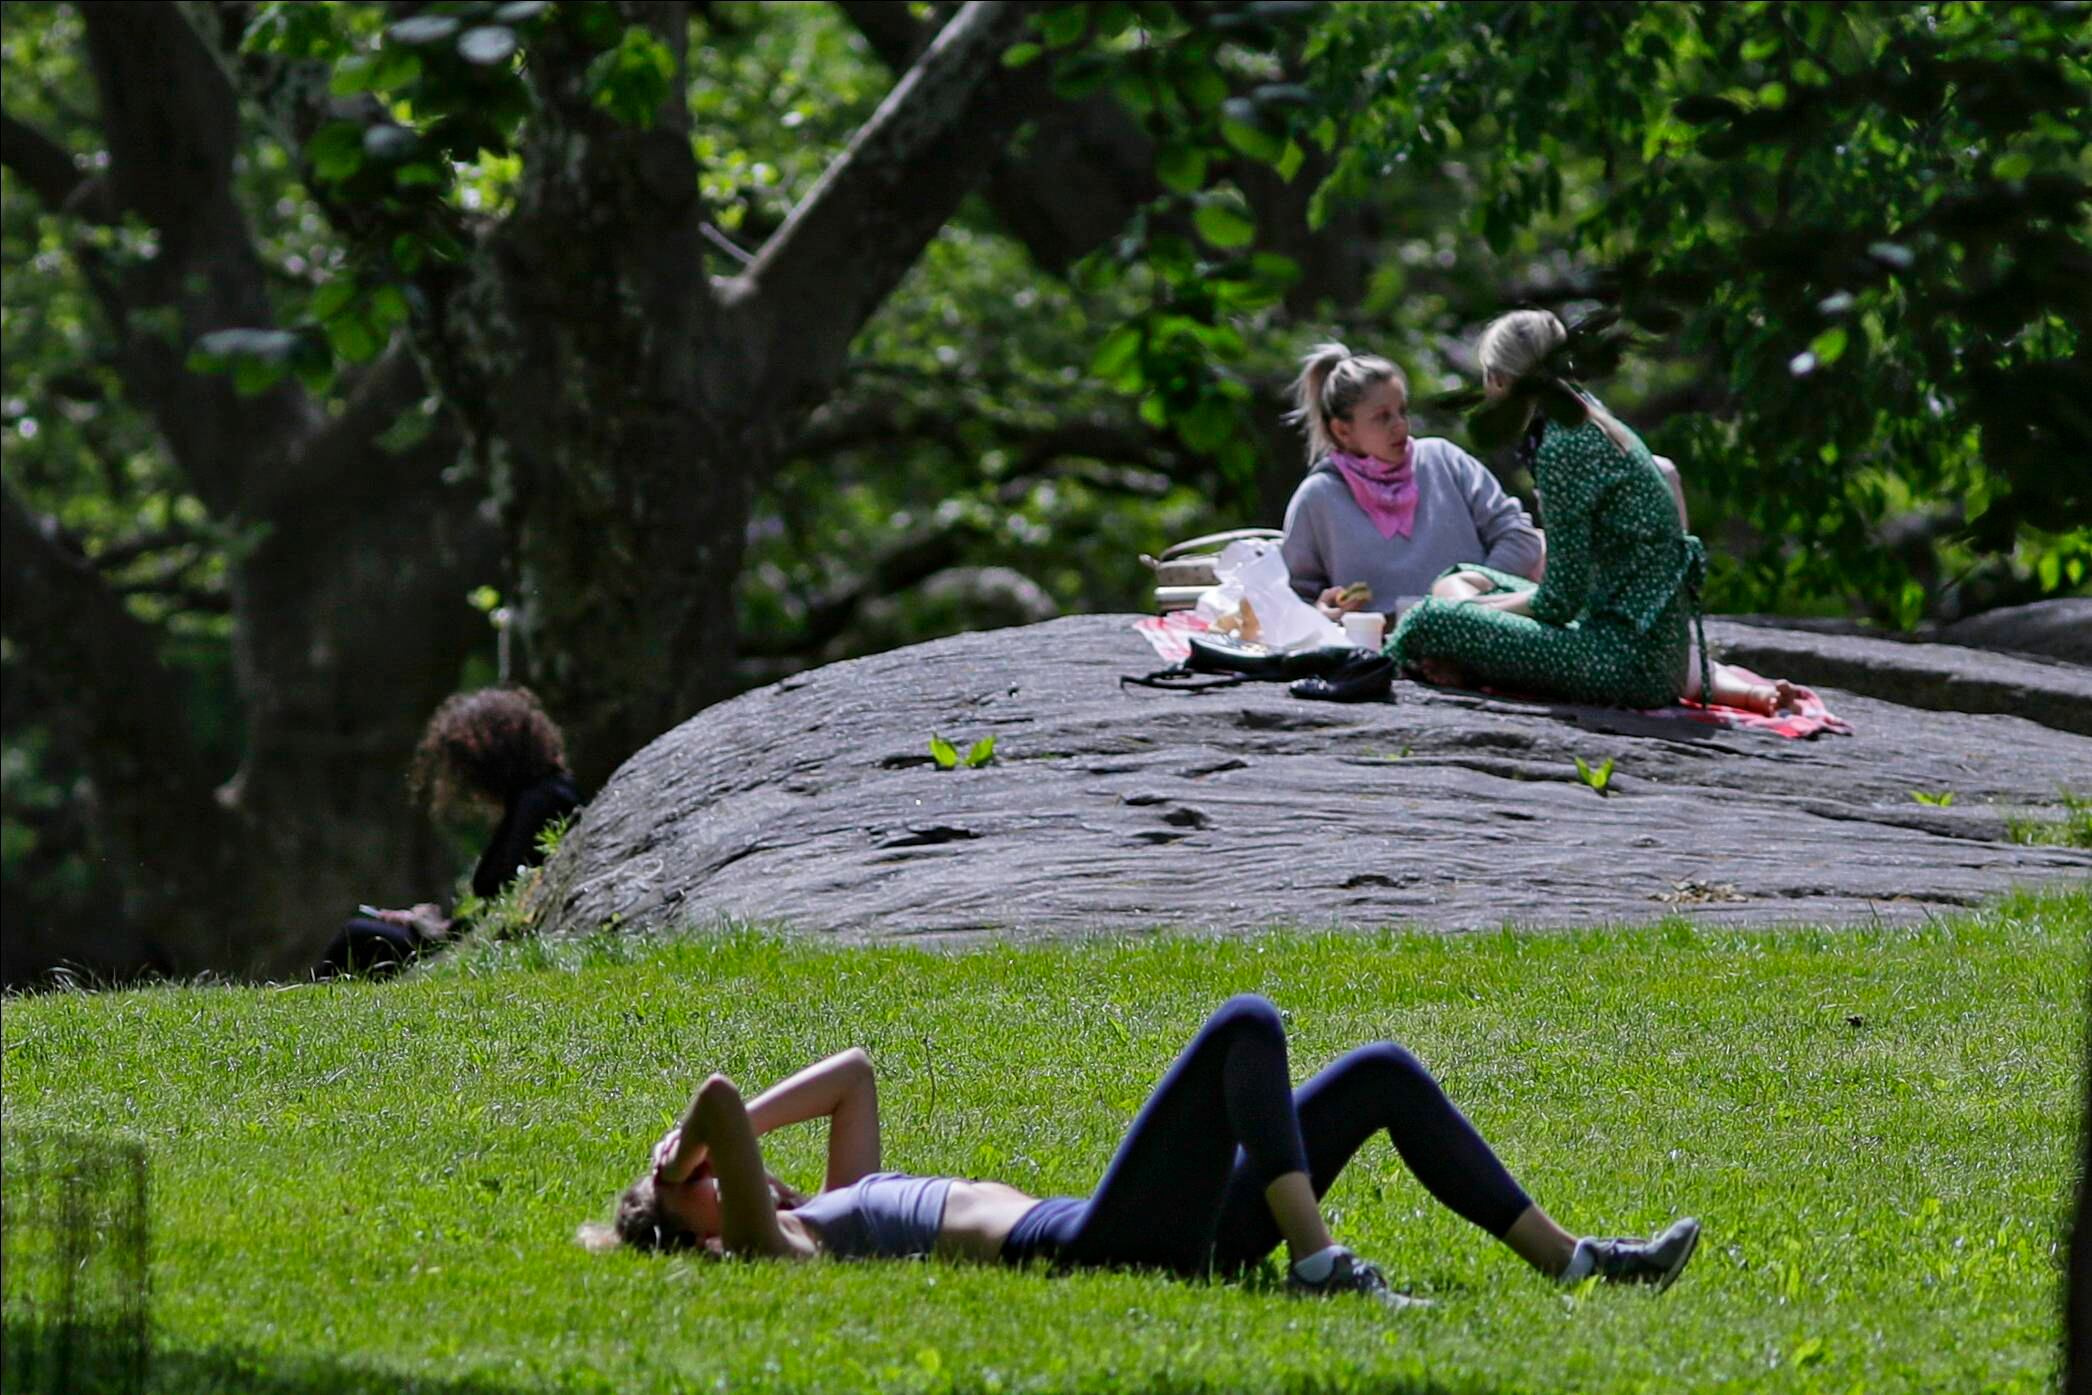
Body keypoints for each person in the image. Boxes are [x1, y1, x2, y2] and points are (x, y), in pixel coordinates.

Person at [584, 995, 1700, 1309]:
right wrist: (684, 1154)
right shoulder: (779, 1252)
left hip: (1153, 1230)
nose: (724, 1173)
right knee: (1245, 1026)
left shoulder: (835, 1199)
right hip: (1084, 1246)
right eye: (703, 1188)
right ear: (701, 1229)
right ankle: (1317, 1262)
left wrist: (703, 1152)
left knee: (1380, 1073)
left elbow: (855, 1072)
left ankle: (1575, 1261)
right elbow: (719, 1100)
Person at [1390, 310, 1795, 713]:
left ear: (1499, 380)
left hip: (1626, 662)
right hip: (1643, 643)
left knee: (1429, 620)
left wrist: (1467, 614)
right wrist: (1476, 610)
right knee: (1460, 578)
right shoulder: (1589, 415)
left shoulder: (1562, 448)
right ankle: (1458, 659)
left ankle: (1437, 657)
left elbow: (1558, 602)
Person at [316, 687, 585, 978]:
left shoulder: (541, 800)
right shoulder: (542, 795)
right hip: (484, 936)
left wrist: (436, 930)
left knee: (356, 935)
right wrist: (430, 924)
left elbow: (506, 893)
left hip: (491, 945)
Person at [1280, 343, 1545, 627]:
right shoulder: (1317, 497)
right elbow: (1288, 601)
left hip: (1476, 635)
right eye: (1383, 417)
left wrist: (1472, 601)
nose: (1401, 426)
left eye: (1402, 411)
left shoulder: (1444, 461)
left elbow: (1519, 536)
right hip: (1377, 650)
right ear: (1343, 430)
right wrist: (1320, 612)